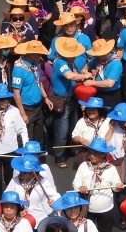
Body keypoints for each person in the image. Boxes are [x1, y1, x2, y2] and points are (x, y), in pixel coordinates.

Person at [0, 82, 29, 196]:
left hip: (11, 153)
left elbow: (22, 129)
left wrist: (26, 148)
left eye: (7, 99)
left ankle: (11, 207)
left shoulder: (14, 111)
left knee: (11, 182)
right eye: (2, 99)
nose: (6, 102)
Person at [72, 139, 125, 232]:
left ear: (104, 155)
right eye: (91, 152)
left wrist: (118, 186)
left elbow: (116, 186)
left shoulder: (111, 169)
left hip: (106, 210)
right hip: (87, 210)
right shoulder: (83, 166)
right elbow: (76, 182)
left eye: (96, 153)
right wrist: (80, 187)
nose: (92, 155)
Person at [50, 36, 87, 167]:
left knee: (73, 127)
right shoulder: (60, 63)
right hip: (62, 101)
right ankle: (59, 157)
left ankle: (73, 150)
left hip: (71, 99)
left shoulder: (70, 63)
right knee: (62, 130)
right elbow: (69, 76)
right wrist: (85, 76)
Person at [11, 39, 54, 143]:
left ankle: (39, 157)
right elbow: (16, 93)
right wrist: (23, 113)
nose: (40, 56)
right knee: (28, 137)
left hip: (38, 107)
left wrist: (45, 98)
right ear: (31, 54)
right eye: (38, 54)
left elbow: (39, 82)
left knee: (39, 135)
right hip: (27, 109)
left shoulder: (34, 65)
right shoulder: (18, 70)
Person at [6, 155, 60, 226]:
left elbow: (56, 196)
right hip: (19, 221)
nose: (21, 173)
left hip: (38, 221)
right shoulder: (15, 180)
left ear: (33, 173)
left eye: (24, 172)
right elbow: (7, 197)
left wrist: (53, 203)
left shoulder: (43, 182)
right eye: (20, 171)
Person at [83, 38, 123, 106]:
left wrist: (92, 83)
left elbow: (110, 83)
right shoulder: (97, 59)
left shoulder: (116, 63)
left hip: (111, 95)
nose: (97, 56)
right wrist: (85, 71)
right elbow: (87, 66)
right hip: (98, 93)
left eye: (99, 54)